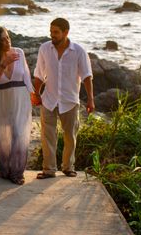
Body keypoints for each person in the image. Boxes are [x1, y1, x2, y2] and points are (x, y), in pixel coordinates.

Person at [31, 18, 94, 179]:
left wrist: (91, 100)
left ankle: (68, 167)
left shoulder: (79, 51)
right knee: (47, 136)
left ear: (66, 32)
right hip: (49, 99)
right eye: (51, 31)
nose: (52, 35)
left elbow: (87, 77)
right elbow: (39, 74)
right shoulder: (45, 48)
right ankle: (49, 169)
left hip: (70, 100)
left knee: (70, 136)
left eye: (56, 32)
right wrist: (36, 94)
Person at [0, 27, 34, 185]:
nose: (7, 41)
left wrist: (33, 94)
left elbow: (26, 75)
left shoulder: (19, 52)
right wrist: (3, 65)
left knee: (20, 133)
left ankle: (17, 173)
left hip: (20, 97)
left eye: (8, 37)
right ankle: (5, 169)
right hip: (3, 99)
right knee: (3, 134)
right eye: (3, 39)